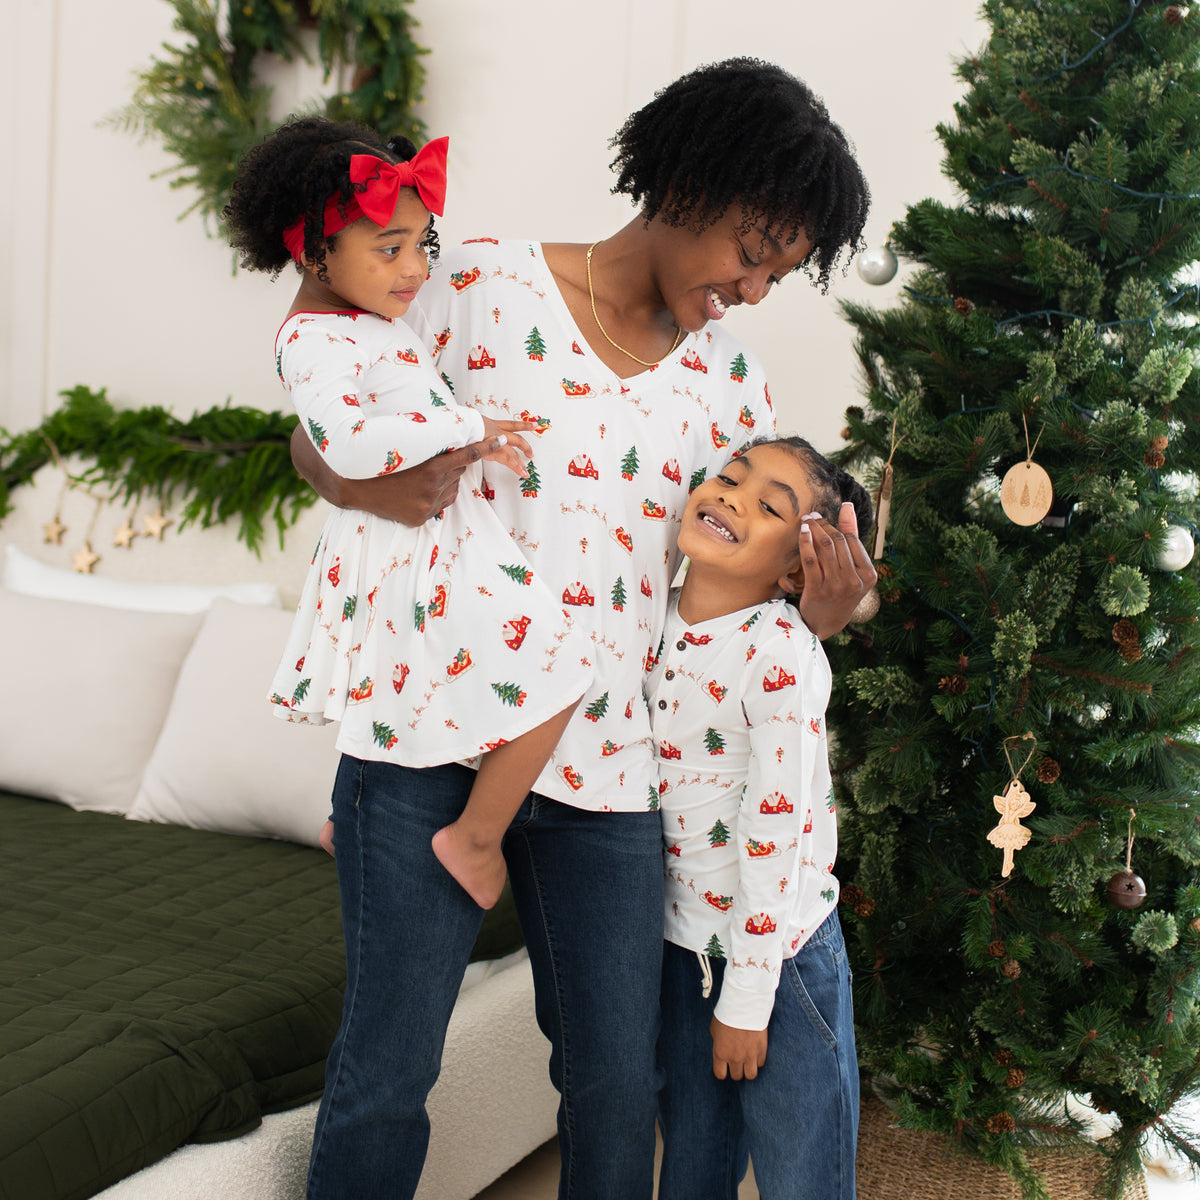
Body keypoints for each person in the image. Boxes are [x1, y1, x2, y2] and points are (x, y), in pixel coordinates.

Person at [288, 58, 875, 1200]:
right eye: (751, 255)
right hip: (427, 742)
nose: (753, 290)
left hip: (611, 771)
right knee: (386, 1072)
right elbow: (323, 417)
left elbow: (740, 595)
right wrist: (359, 486)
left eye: (779, 274)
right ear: (688, 184)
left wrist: (827, 610)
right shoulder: (473, 285)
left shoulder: (731, 388)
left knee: (615, 1084)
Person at [223, 117, 593, 912]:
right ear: (312, 253)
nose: (416, 268)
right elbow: (352, 444)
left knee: (414, 693)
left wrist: (471, 443)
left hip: (428, 536)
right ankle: (475, 838)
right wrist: (472, 425)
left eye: (423, 245)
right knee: (562, 665)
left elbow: (399, 417)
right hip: (406, 543)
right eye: (389, 248)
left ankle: (344, 821)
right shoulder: (314, 341)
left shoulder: (363, 323)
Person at [651, 436, 869, 1200]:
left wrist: (748, 999)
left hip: (782, 957)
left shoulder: (781, 654)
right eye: (731, 478)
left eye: (770, 504)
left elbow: (779, 836)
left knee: (801, 1173)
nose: (734, 497)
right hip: (685, 948)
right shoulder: (650, 610)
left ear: (793, 568)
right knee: (690, 1165)